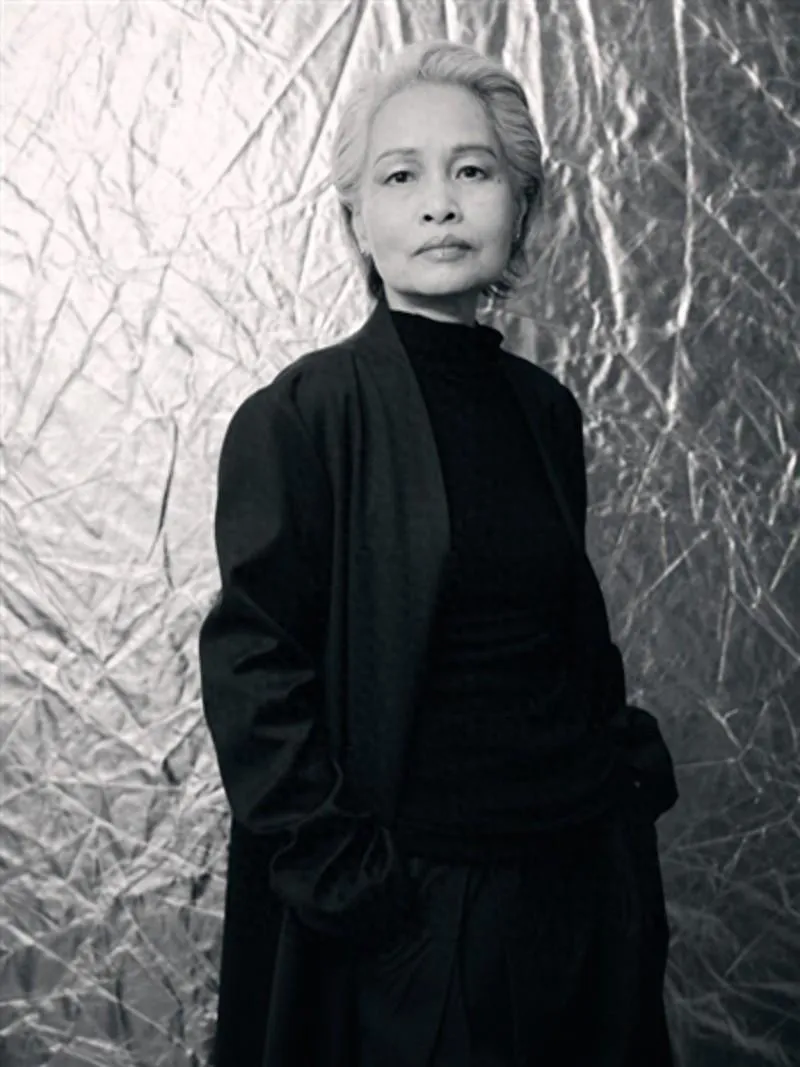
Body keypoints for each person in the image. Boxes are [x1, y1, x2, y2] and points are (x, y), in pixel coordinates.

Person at [198, 39, 679, 1067]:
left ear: (520, 206)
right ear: (356, 222)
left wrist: (616, 782)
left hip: (575, 888)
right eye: (400, 177)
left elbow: (558, 635)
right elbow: (254, 674)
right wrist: (356, 887)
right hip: (417, 916)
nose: (439, 205)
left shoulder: (544, 410)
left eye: (472, 170)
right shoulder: (299, 416)